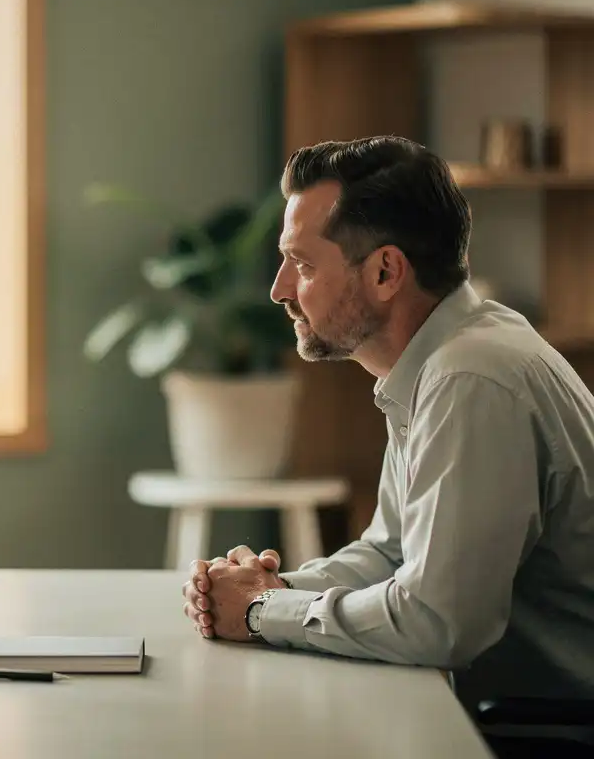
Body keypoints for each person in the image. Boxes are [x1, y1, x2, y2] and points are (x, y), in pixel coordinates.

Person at [181, 136, 594, 753]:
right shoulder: (448, 358)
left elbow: (438, 622)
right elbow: (393, 551)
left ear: (384, 272)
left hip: (550, 733)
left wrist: (261, 612)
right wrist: (273, 590)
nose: (280, 289)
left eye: (303, 265)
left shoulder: (470, 379)